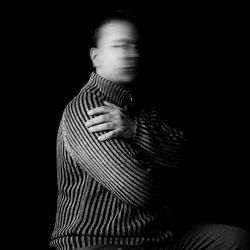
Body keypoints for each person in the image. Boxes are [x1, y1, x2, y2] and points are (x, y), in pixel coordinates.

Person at [49, 10, 250, 250]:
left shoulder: (140, 106)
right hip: (100, 242)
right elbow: (138, 191)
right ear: (96, 57)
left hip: (156, 237)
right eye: (119, 46)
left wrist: (136, 130)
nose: (130, 54)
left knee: (234, 240)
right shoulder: (87, 108)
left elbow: (186, 154)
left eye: (134, 46)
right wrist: (165, 163)